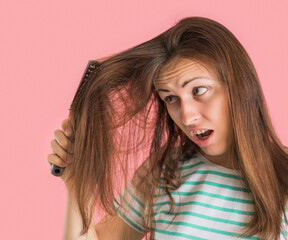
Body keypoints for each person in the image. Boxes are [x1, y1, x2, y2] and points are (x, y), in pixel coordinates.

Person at [48, 16, 288, 240]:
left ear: (239, 86)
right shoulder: (163, 172)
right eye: (171, 98)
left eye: (199, 90)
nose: (187, 116)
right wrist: (78, 187)